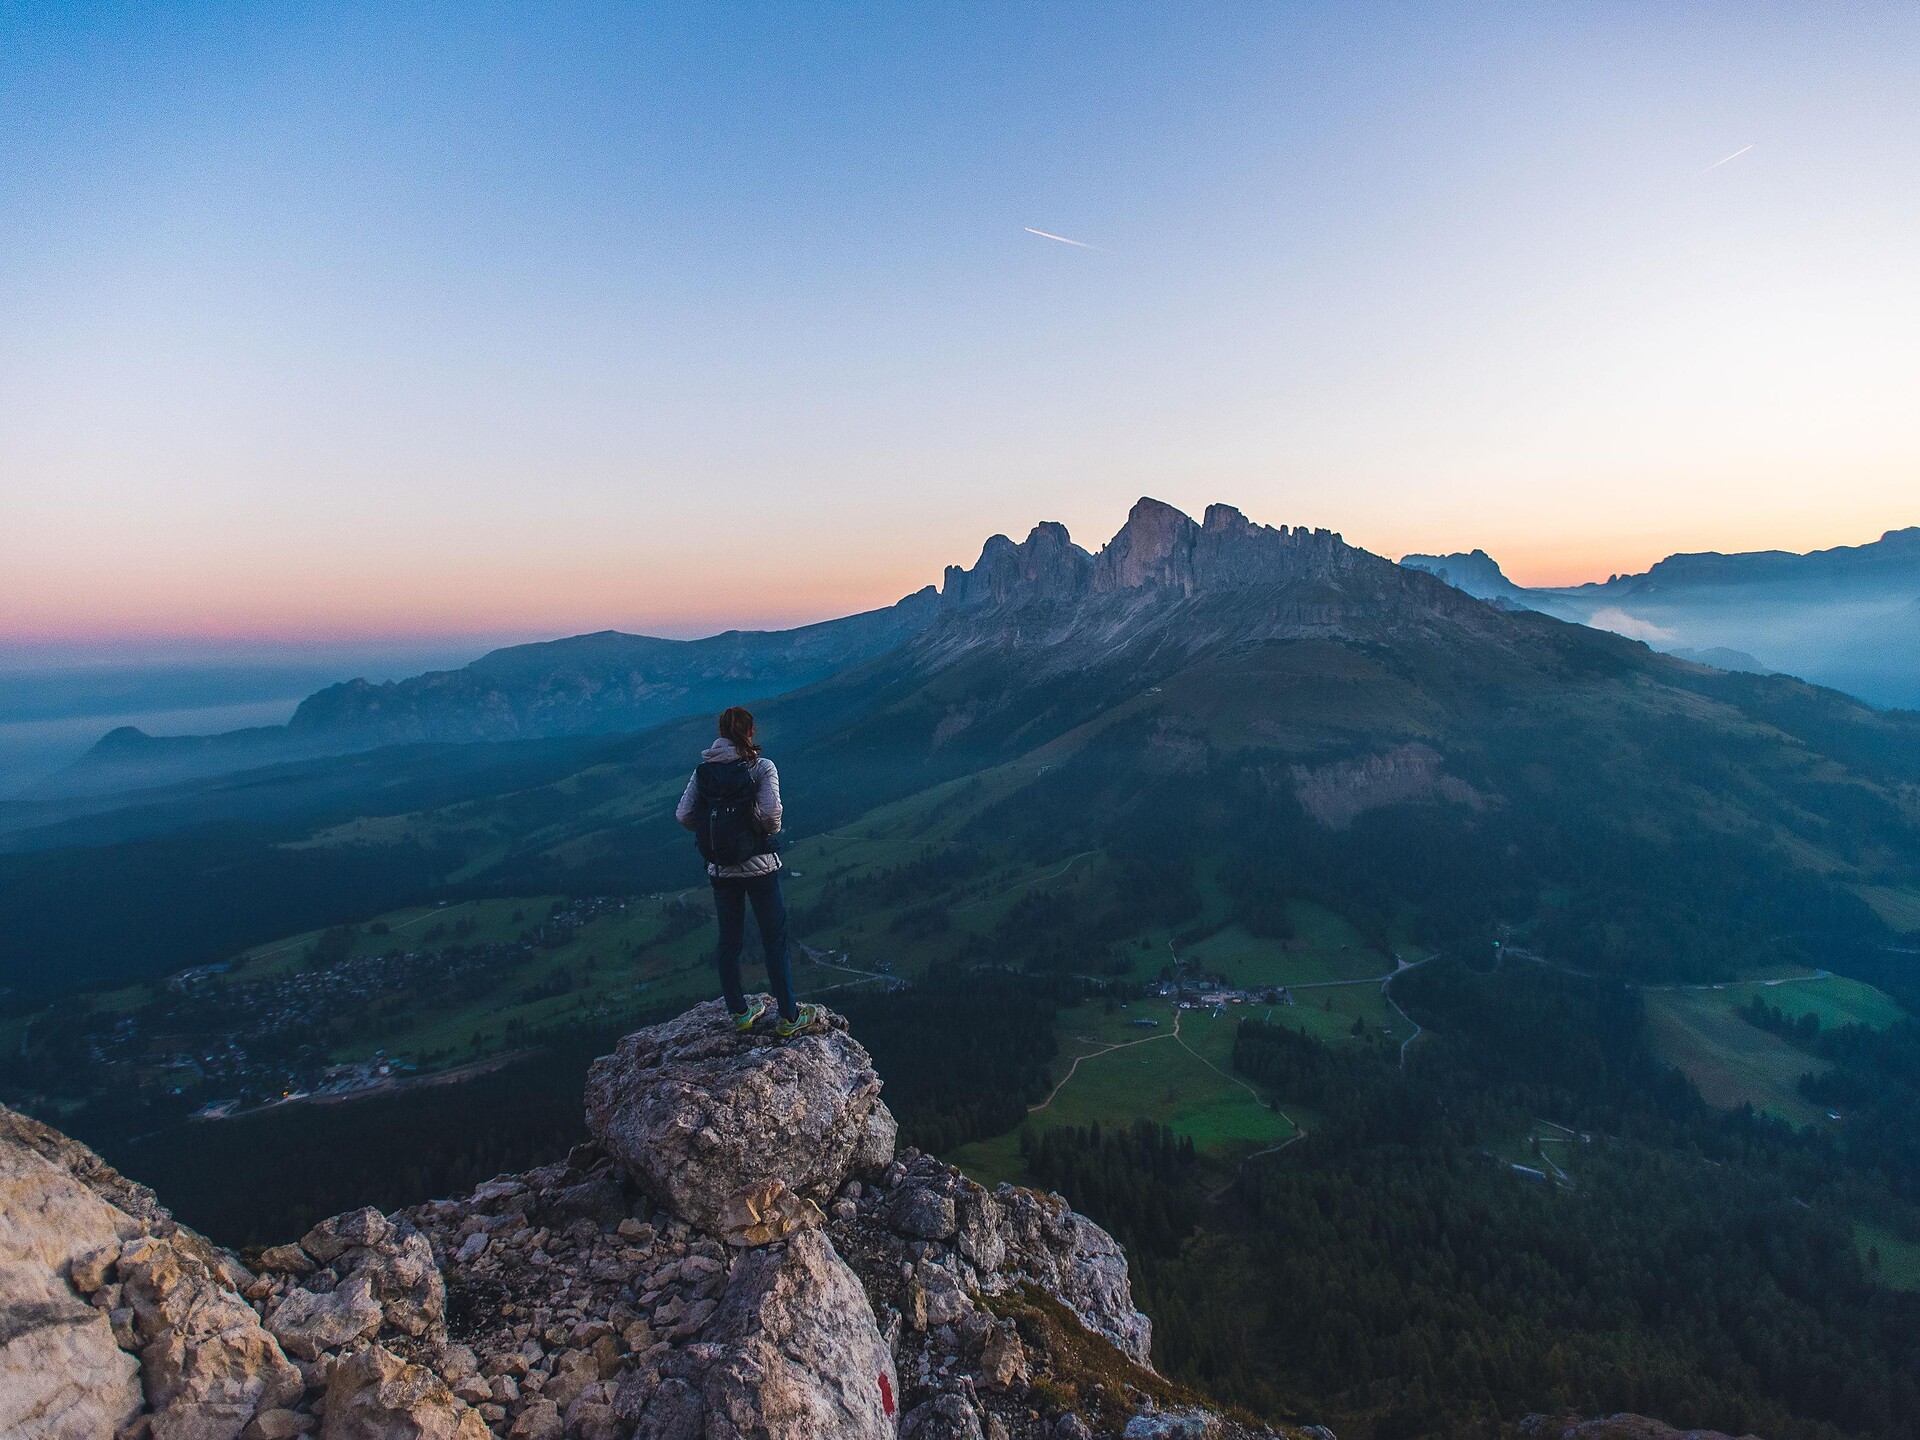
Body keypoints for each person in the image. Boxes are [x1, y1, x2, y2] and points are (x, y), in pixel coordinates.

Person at [675, 706, 820, 1038]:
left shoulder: (703, 772)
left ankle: (739, 1013)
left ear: (721, 732)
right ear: (750, 732)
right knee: (775, 940)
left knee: (729, 941)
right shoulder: (761, 767)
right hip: (760, 867)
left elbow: (683, 815)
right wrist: (753, 828)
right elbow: (771, 815)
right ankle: (788, 1016)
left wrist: (715, 830)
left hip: (721, 868)